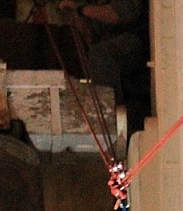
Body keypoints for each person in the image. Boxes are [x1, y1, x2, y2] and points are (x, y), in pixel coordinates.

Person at [55, 0, 151, 132]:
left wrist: (81, 9)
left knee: (101, 55)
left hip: (140, 40)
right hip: (116, 46)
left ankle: (108, 121)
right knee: (98, 53)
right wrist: (76, 17)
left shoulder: (86, 6)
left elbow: (119, 14)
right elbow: (91, 38)